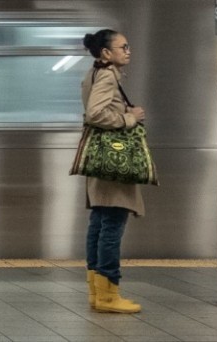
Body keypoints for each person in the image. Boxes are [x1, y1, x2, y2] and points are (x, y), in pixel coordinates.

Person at [78, 29, 144, 314]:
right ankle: (108, 295)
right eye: (123, 47)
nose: (128, 51)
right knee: (112, 224)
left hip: (101, 159)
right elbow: (95, 114)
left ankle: (97, 292)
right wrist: (129, 118)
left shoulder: (94, 73)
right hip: (113, 162)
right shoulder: (107, 76)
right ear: (106, 53)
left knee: (100, 222)